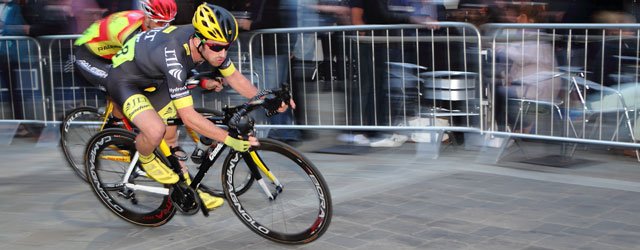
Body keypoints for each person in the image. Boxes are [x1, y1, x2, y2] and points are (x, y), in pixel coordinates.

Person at [106, 3, 290, 211]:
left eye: (226, 47)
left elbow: (235, 78)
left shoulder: (208, 43)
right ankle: (147, 159)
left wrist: (265, 98)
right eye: (216, 47)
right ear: (198, 40)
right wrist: (229, 140)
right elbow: (189, 117)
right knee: (155, 129)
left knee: (170, 138)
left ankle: (185, 187)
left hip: (155, 78)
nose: (222, 53)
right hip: (124, 80)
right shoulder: (174, 53)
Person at [237, 0, 302, 143]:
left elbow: (272, 19)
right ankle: (283, 130)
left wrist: (250, 25)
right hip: (270, 49)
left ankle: (284, 131)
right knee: (273, 91)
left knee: (272, 92)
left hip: (273, 49)